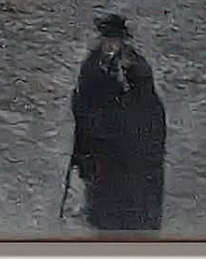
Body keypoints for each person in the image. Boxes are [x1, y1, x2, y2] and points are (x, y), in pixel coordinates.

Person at [69, 12, 166, 233]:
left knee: (131, 187)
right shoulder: (93, 64)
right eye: (107, 40)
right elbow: (84, 96)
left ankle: (133, 223)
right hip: (101, 139)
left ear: (122, 41)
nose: (110, 45)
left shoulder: (136, 65)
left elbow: (147, 105)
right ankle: (102, 220)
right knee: (102, 185)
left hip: (129, 141)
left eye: (115, 40)